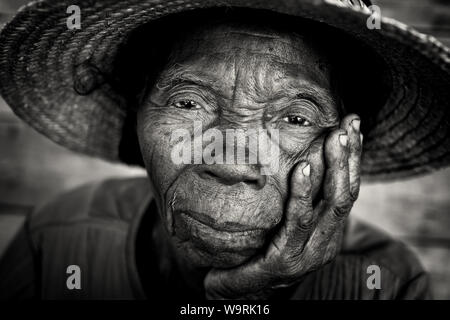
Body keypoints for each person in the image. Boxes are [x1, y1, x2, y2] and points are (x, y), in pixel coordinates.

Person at [0, 0, 449, 300]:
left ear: (343, 148)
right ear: (136, 113)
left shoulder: (384, 285)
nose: (232, 165)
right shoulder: (56, 243)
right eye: (189, 102)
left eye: (295, 118)